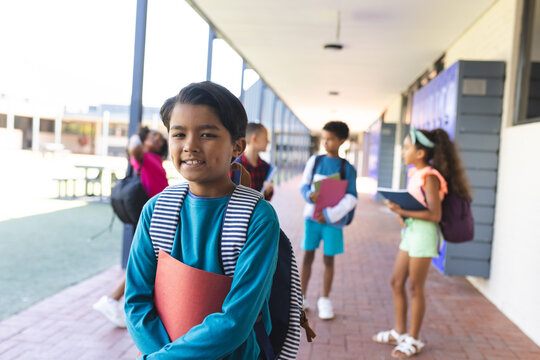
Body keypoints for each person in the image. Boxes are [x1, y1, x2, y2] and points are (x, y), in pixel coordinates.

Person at [124, 81, 281, 359]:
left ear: (237, 146)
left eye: (207, 134)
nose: (190, 146)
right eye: (179, 134)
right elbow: (136, 302)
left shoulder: (256, 217)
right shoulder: (156, 211)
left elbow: (236, 320)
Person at [372, 127, 471, 358]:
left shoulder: (430, 177)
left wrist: (403, 210)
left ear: (420, 153)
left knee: (415, 287)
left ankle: (413, 339)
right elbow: (417, 207)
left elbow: (434, 215)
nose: (403, 151)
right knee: (396, 281)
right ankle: (399, 331)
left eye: (407, 147)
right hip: (411, 234)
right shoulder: (414, 174)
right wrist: (401, 213)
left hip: (425, 235)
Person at [93, 102, 172, 328]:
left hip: (161, 213)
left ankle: (116, 300)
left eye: (160, 138)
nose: (157, 140)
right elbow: (134, 146)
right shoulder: (142, 156)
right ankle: (111, 299)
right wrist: (139, 134)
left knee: (152, 261)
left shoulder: (155, 159)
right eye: (153, 136)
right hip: (152, 215)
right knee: (147, 261)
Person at [299, 121, 357, 320]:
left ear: (342, 141)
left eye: (330, 139)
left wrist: (331, 214)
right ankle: (301, 298)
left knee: (328, 259)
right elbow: (304, 186)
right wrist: (309, 196)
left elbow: (351, 197)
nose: (326, 142)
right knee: (307, 256)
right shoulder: (314, 161)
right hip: (312, 220)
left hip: (332, 223)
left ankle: (324, 299)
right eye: (324, 138)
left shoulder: (347, 168)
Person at [234, 122, 274, 200]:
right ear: (254, 139)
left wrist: (267, 192)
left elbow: (267, 199)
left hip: (258, 211)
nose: (268, 142)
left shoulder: (266, 167)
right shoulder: (235, 167)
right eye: (265, 138)